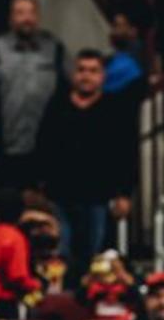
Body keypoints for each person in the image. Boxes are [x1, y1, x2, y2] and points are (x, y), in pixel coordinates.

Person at [37, 49, 139, 264]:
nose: (86, 76)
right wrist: (39, 186)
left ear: (103, 76)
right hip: (60, 196)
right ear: (74, 74)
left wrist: (125, 194)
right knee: (59, 259)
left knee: (95, 261)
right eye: (81, 70)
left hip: (98, 198)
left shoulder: (116, 109)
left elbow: (128, 154)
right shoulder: (57, 105)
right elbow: (43, 147)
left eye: (93, 71)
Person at [0, 0, 65, 193]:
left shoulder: (53, 47)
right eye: (20, 13)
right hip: (6, 143)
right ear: (11, 18)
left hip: (47, 145)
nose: (26, 18)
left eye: (31, 12)